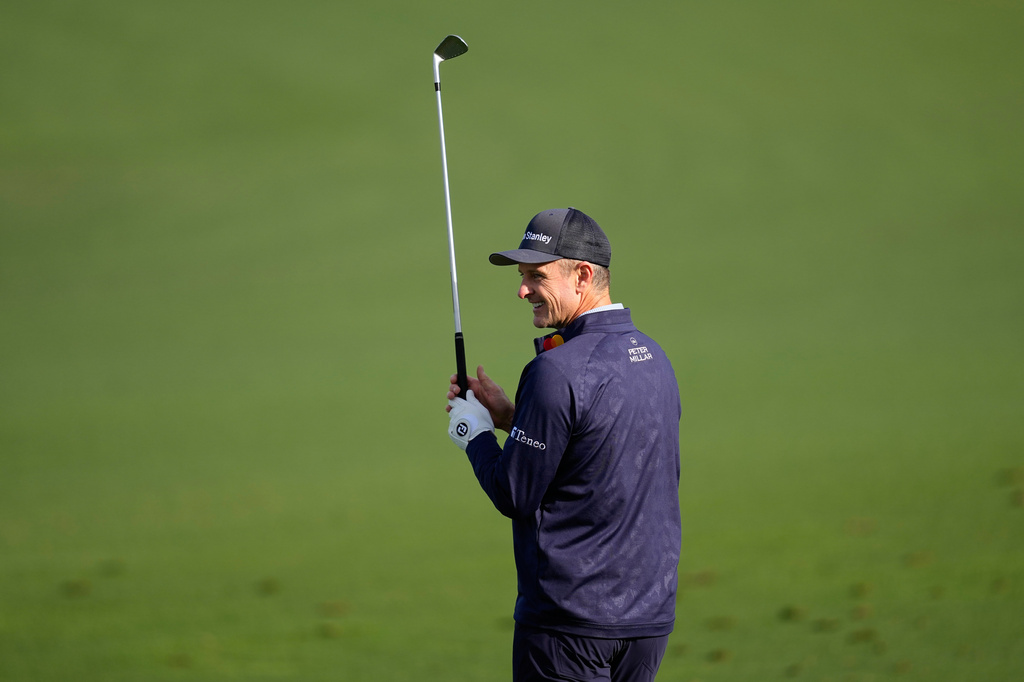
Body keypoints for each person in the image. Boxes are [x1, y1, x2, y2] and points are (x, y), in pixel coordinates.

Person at [445, 207, 682, 682]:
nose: (522, 290)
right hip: (648, 622)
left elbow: (514, 493)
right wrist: (512, 419)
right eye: (521, 276)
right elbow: (594, 453)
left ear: (583, 276)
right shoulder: (654, 356)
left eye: (536, 276)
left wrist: (474, 433)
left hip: (568, 625)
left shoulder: (554, 370)